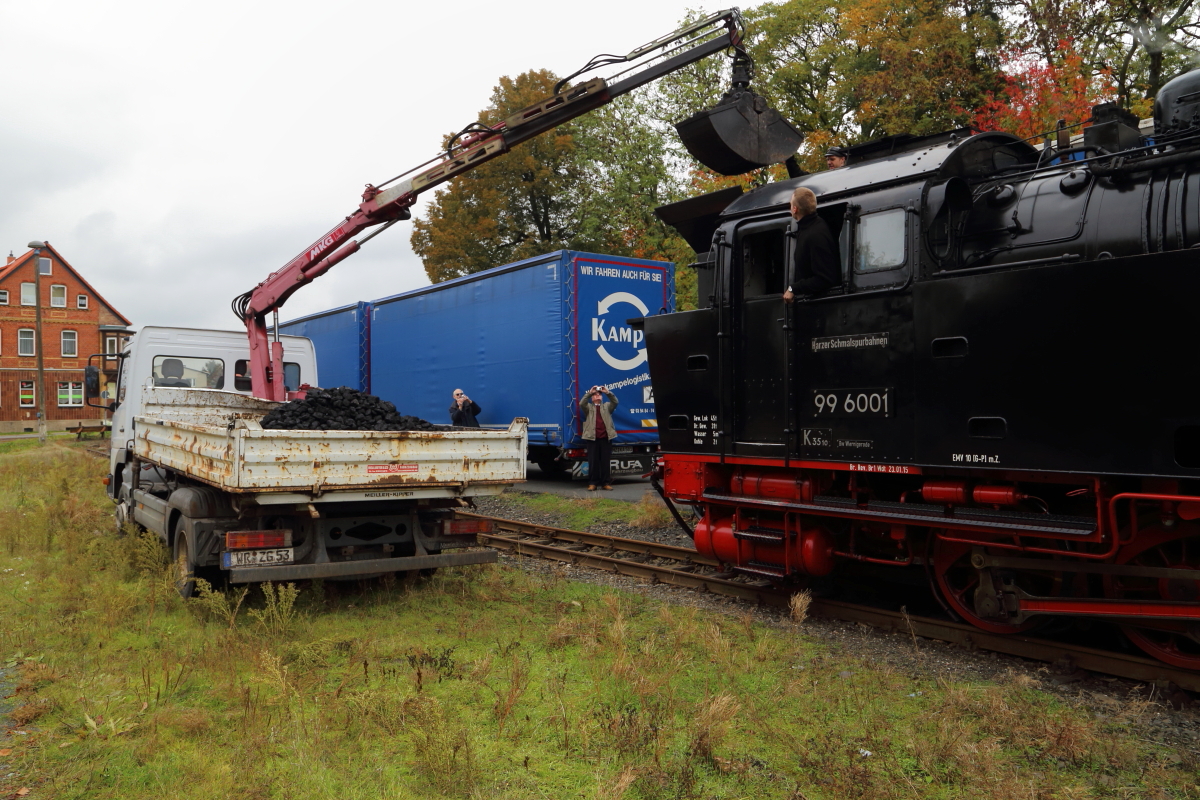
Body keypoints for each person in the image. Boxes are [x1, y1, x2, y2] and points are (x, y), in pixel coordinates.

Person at [783, 186, 840, 303]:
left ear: (795, 209)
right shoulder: (811, 226)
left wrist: (793, 288)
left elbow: (825, 278)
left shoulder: (815, 235)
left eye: (790, 204)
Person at [579, 385, 618, 491]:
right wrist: (590, 393)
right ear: (592, 398)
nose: (597, 396)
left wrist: (607, 392)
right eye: (595, 395)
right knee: (593, 462)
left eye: (599, 394)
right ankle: (593, 483)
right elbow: (581, 403)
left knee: (605, 462)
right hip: (592, 439)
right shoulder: (589, 408)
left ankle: (605, 483)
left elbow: (615, 402)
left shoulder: (606, 406)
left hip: (605, 438)